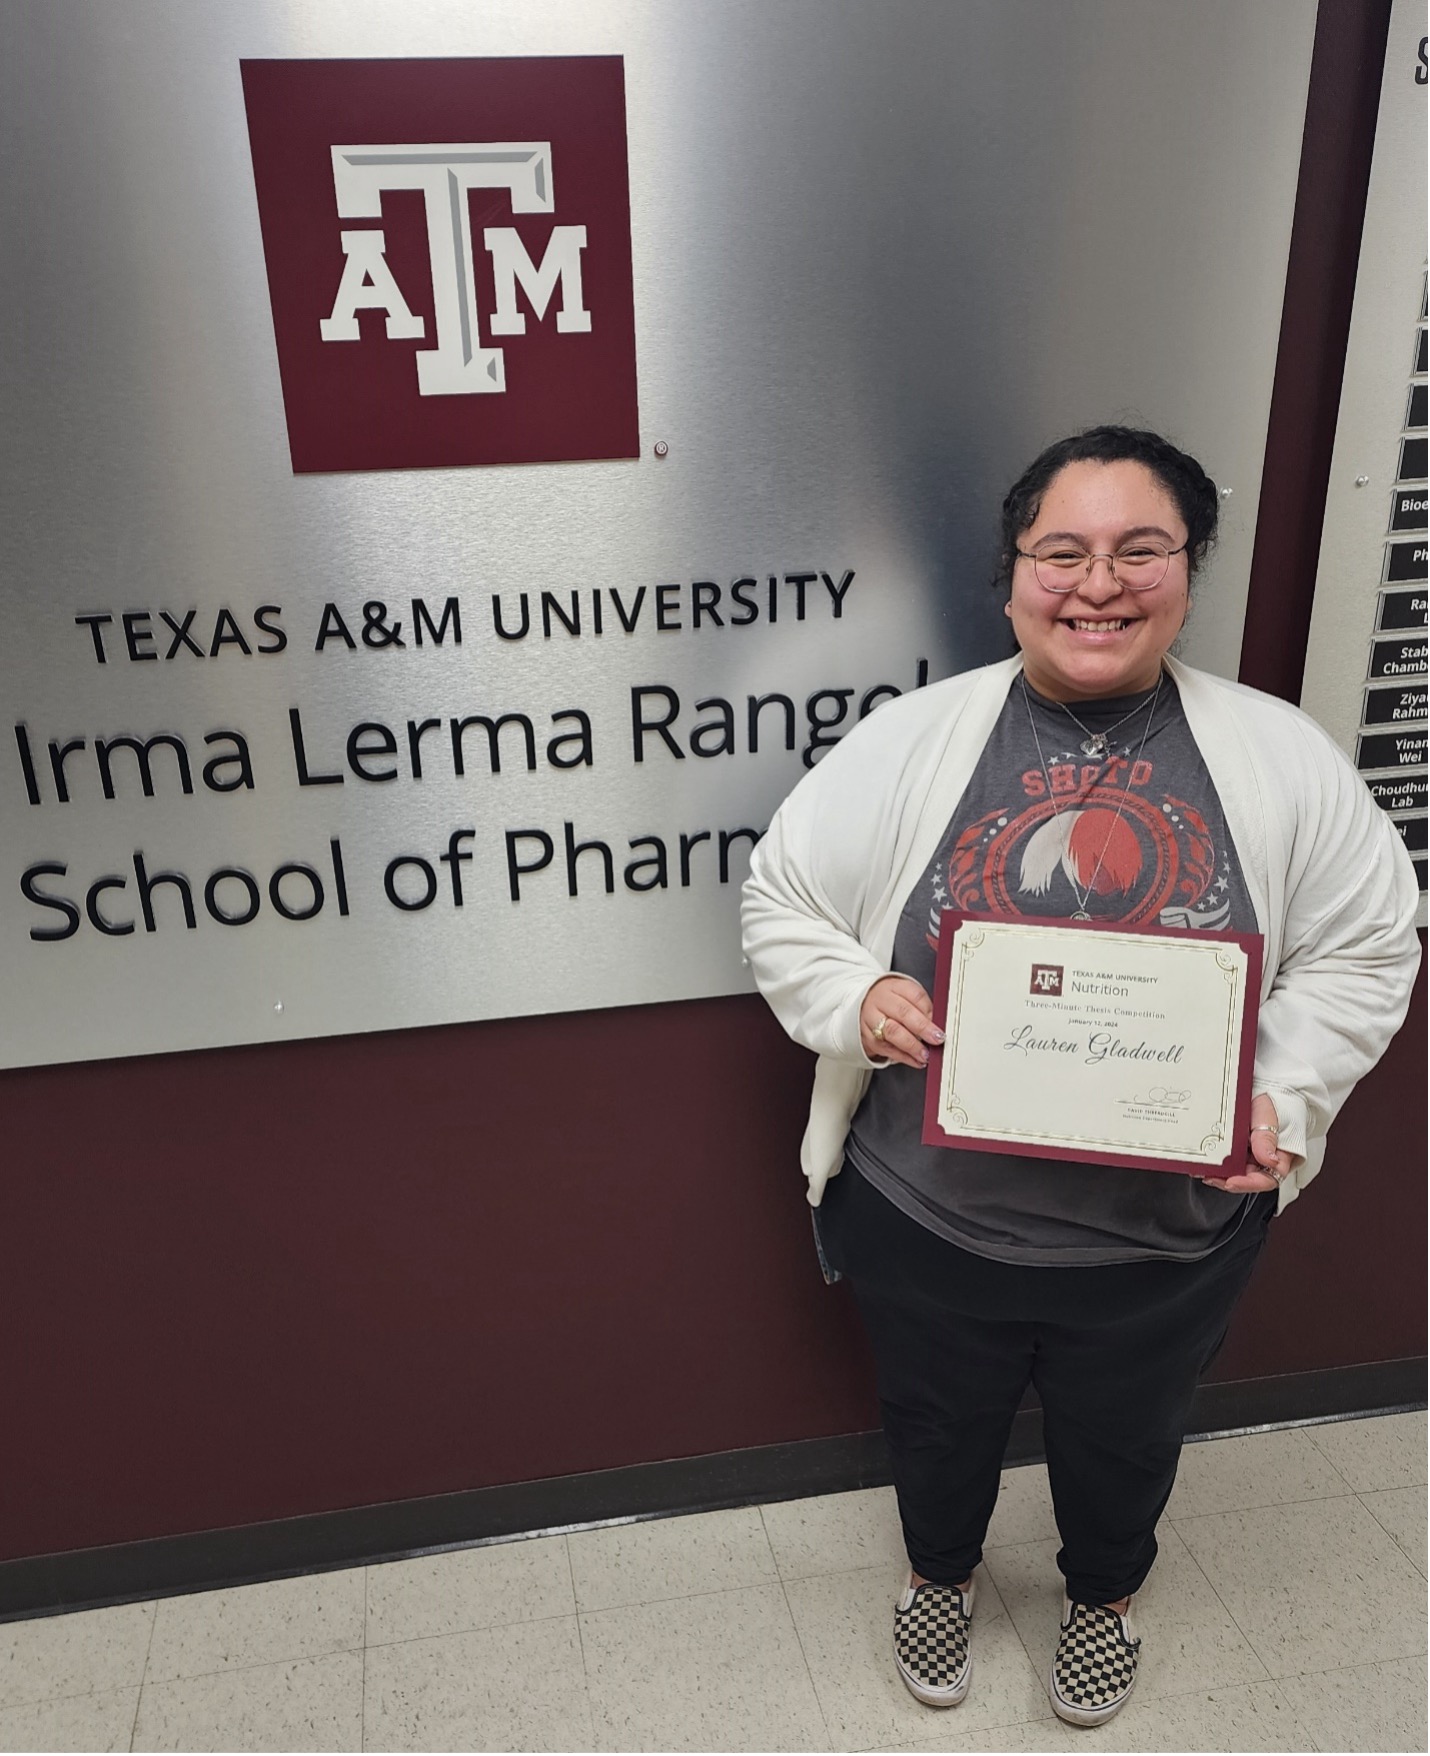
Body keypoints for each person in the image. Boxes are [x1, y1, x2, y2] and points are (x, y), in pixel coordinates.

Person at [740, 427, 1421, 1726]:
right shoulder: (913, 742)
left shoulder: (1277, 760)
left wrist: (1278, 1095)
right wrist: (855, 999)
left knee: (1126, 1443)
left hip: (1164, 1237)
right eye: (1061, 551)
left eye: (1137, 549)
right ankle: (937, 1576)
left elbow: (1366, 946)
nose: (1095, 582)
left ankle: (1101, 1600)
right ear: (1010, 577)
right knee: (935, 1426)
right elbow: (783, 900)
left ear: (1184, 570)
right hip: (931, 1214)